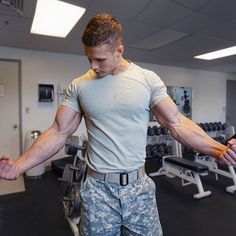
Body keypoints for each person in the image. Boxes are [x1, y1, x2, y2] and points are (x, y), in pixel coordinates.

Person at [1, 12, 236, 236]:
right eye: (89, 57)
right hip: (98, 191)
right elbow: (58, 132)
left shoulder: (147, 79)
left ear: (119, 50)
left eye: (100, 59)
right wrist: (19, 166)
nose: (93, 65)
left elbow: (177, 123)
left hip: (139, 189)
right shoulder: (80, 85)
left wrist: (220, 149)